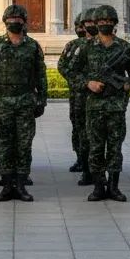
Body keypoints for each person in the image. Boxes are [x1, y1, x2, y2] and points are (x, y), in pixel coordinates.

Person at [0, 4, 47, 202]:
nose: (15, 22)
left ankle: (21, 185)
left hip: (25, 101)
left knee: (24, 145)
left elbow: (41, 75)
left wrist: (42, 100)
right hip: (4, 102)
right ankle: (7, 185)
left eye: (18, 19)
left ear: (24, 22)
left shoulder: (32, 46)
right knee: (5, 144)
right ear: (5, 22)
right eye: (11, 19)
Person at [73, 5, 130, 202]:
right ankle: (99, 187)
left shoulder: (124, 48)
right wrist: (88, 83)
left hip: (116, 107)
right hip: (94, 106)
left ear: (114, 23)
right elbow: (72, 72)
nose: (105, 24)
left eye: (109, 21)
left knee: (115, 148)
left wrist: (128, 83)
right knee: (96, 148)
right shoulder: (85, 47)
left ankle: (114, 187)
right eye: (101, 21)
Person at [57, 14, 89, 173]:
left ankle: (91, 165)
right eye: (78, 26)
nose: (80, 29)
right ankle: (80, 158)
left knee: (91, 131)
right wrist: (76, 80)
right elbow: (62, 66)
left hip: (95, 98)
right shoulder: (71, 46)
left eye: (83, 26)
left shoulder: (97, 45)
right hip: (77, 97)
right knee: (77, 129)